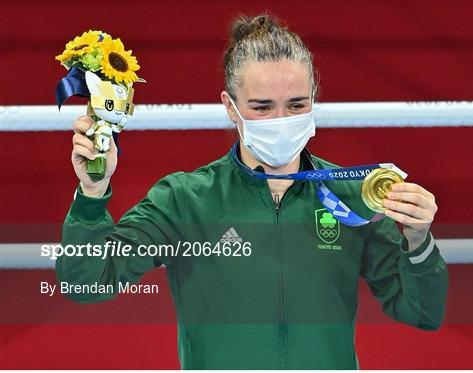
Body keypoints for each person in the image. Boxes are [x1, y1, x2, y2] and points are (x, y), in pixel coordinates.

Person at [57, 13, 449, 370]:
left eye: (297, 104)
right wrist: (92, 196)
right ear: (230, 106)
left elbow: (422, 312)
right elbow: (86, 284)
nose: (281, 120)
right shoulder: (184, 199)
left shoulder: (352, 195)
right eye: (262, 107)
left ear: (315, 98)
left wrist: (418, 241)